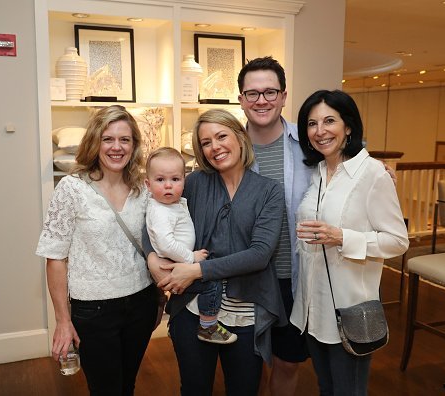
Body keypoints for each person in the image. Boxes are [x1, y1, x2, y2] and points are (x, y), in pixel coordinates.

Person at [145, 108, 287, 395]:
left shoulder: (268, 191)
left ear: (239, 136)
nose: (215, 147)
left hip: (244, 312)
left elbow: (260, 254)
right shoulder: (193, 183)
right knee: (195, 388)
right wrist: (152, 257)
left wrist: (197, 269)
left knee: (244, 389)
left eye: (221, 136)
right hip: (193, 308)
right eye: (206, 142)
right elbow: (153, 219)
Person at [290, 90, 409, 395]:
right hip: (311, 309)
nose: (320, 131)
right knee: (326, 388)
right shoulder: (317, 172)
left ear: (349, 127)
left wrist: (342, 236)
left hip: (350, 310)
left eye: (330, 120)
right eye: (312, 123)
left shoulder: (372, 174)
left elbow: (397, 241)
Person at [36, 105, 159, 396]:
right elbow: (55, 258)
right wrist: (63, 321)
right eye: (108, 139)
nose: (117, 147)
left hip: (140, 303)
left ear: (134, 145)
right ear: (95, 142)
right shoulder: (72, 188)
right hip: (93, 310)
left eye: (125, 140)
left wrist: (161, 294)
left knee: (127, 384)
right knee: (105, 389)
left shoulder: (143, 188)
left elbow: (154, 244)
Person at [237, 56, 312, 395]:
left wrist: (377, 167)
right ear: (241, 100)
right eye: (252, 93)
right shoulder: (228, 148)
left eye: (270, 91)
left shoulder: (310, 145)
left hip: (293, 276)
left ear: (283, 96)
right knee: (244, 363)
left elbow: (350, 157)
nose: (261, 100)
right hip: (244, 278)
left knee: (287, 361)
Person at [144, 147, 236, 344]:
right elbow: (165, 243)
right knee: (211, 283)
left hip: (177, 261)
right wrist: (190, 259)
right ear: (148, 184)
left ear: (184, 181)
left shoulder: (171, 204)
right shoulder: (160, 211)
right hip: (174, 263)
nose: (168, 186)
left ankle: (176, 317)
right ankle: (208, 325)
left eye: (175, 180)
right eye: (160, 180)